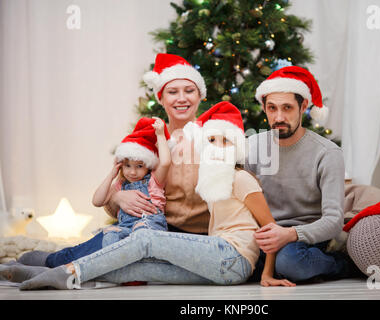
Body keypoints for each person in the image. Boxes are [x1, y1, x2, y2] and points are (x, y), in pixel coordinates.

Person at [3, 102, 295, 289]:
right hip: (216, 262)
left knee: (145, 238)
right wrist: (117, 199)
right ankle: (48, 273)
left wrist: (267, 274)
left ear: (236, 147)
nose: (218, 147)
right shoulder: (209, 179)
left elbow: (270, 229)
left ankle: (64, 271)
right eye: (212, 141)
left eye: (225, 141)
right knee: (133, 268)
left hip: (232, 256)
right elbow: (139, 186)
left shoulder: (242, 178)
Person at [17, 52, 210, 268]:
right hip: (142, 227)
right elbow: (117, 188)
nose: (181, 98)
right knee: (112, 238)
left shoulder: (214, 138)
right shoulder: (147, 143)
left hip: (192, 235)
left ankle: (56, 262)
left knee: (123, 246)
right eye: (173, 92)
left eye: (189, 91)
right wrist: (118, 198)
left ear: (200, 95)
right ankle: (59, 261)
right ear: (161, 99)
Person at [246, 65, 356, 283]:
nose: (279, 117)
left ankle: (341, 264)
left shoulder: (327, 153)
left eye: (287, 108)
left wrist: (290, 234)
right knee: (237, 260)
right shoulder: (252, 146)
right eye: (272, 108)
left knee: (289, 262)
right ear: (264, 108)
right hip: (265, 234)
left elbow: (334, 221)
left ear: (303, 106)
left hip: (306, 236)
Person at [93, 117, 171, 247]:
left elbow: (165, 162)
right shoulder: (120, 184)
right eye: (127, 166)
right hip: (126, 227)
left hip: (150, 224)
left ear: (148, 166)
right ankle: (116, 266)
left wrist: (161, 135)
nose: (132, 172)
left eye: (139, 166)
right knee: (110, 235)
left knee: (141, 232)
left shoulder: (154, 180)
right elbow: (97, 201)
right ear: (121, 165)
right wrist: (112, 175)